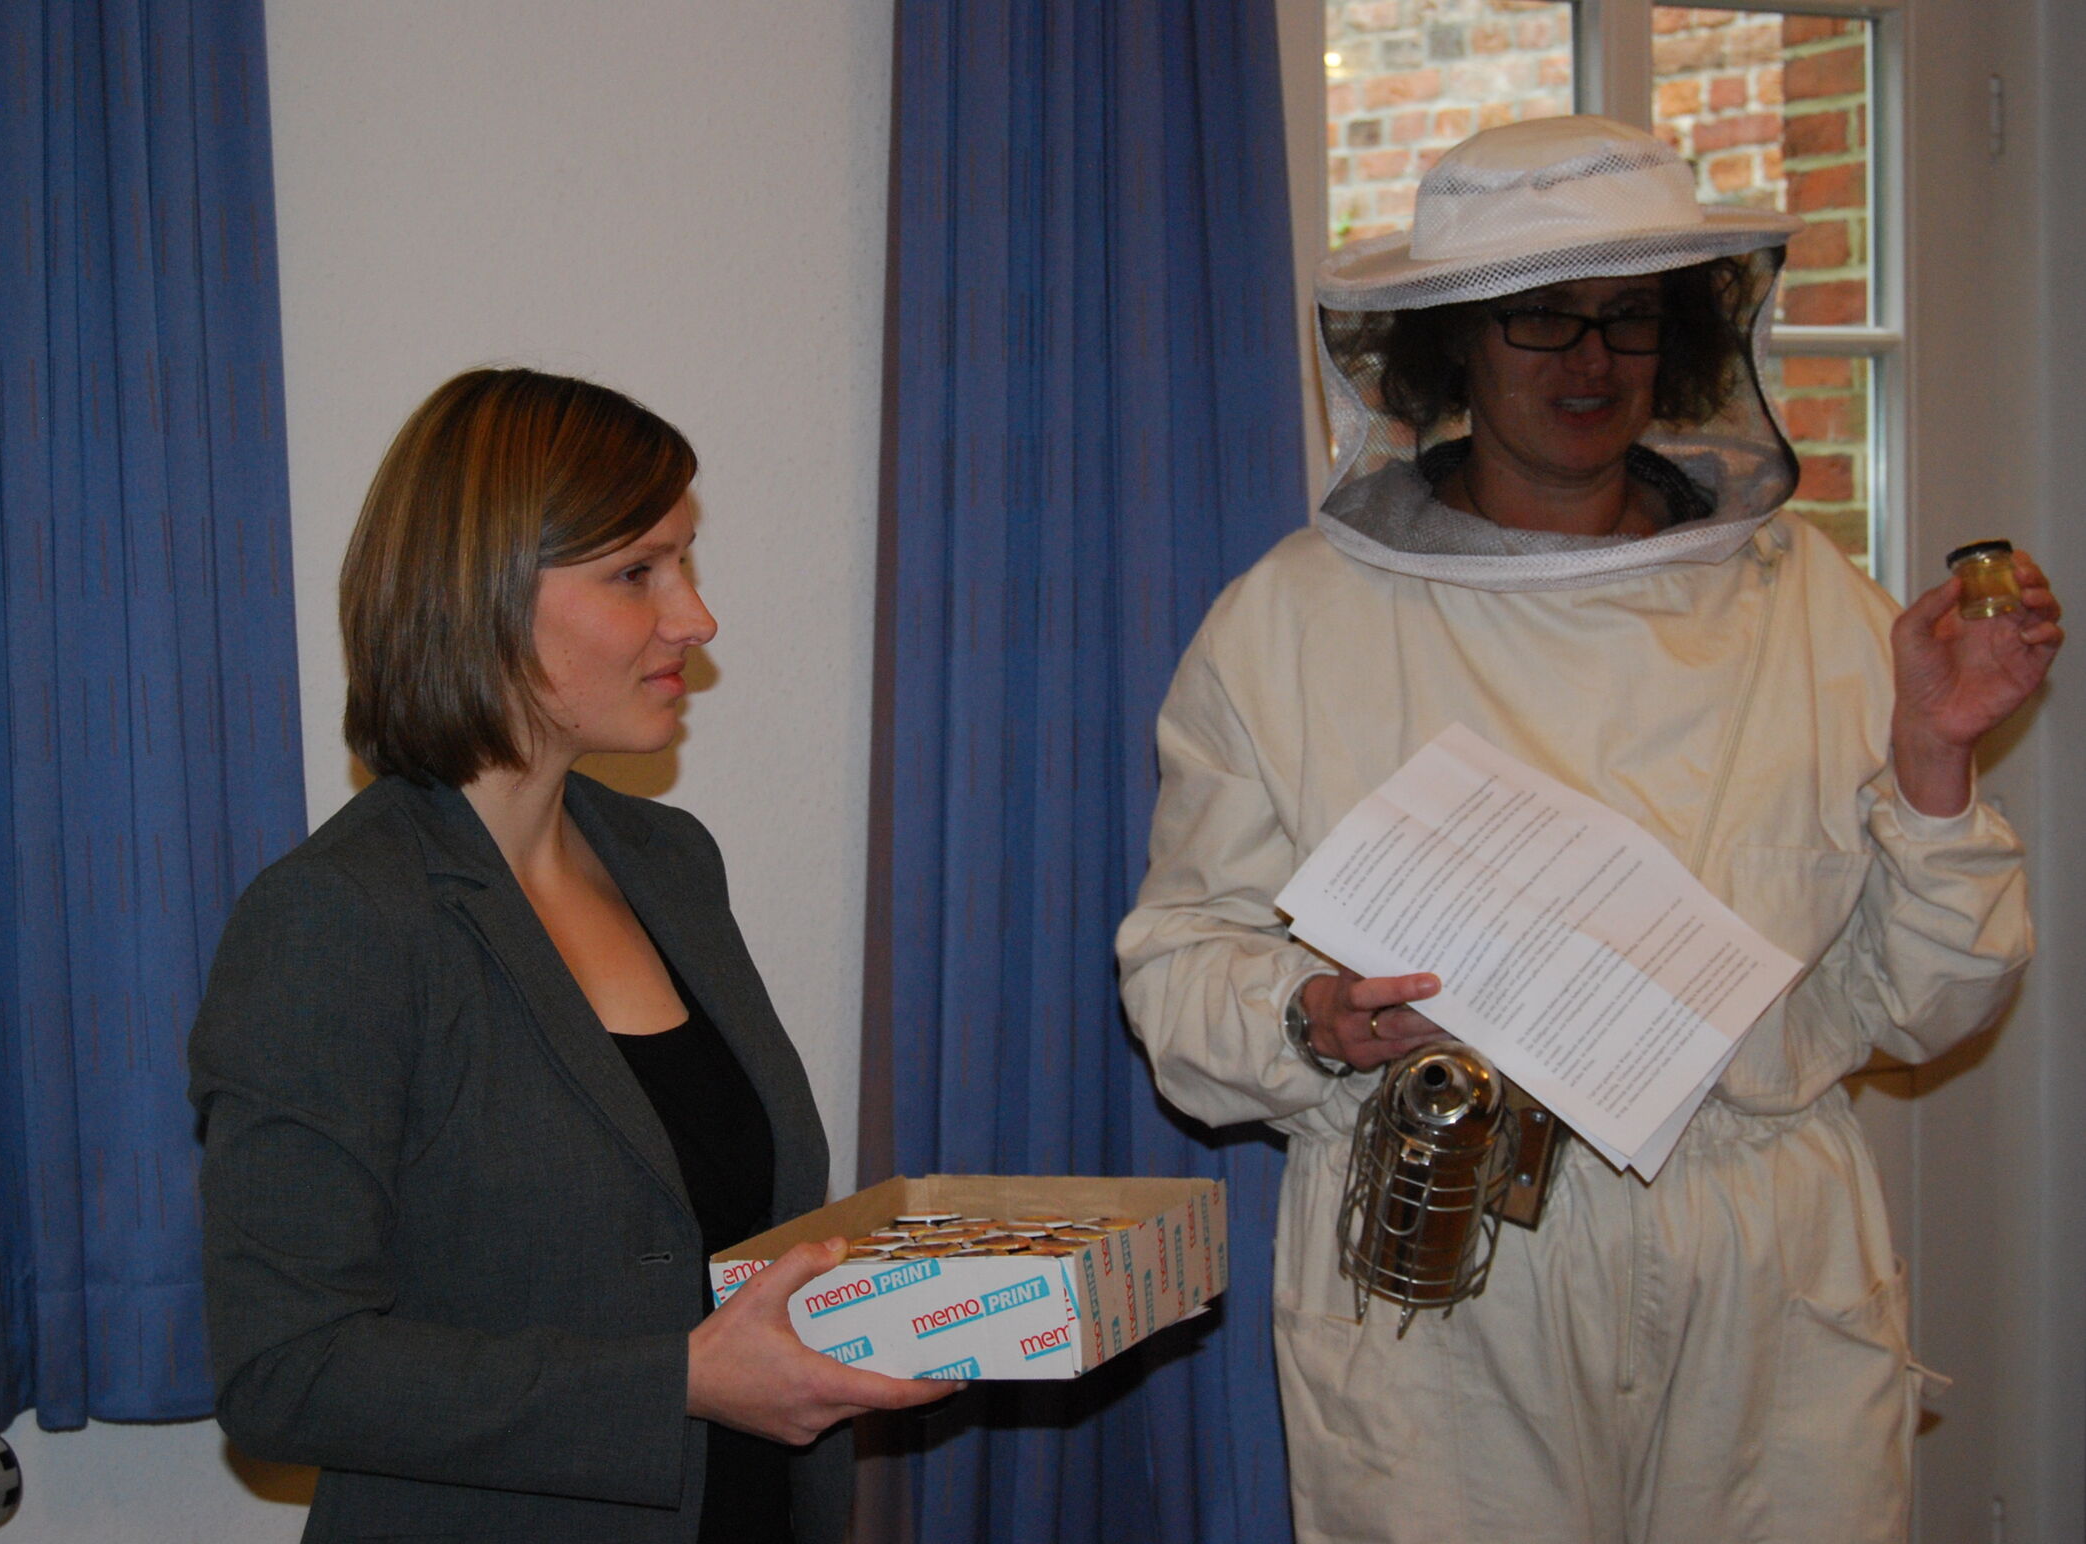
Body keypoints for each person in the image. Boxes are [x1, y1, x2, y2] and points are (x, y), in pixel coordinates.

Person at [1116, 116, 2062, 1543]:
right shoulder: (1293, 624)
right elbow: (1180, 968)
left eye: (1629, 319)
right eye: (1540, 319)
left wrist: (1934, 760)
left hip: (1765, 1261)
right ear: (1447, 347)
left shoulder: (1817, 611)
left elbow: (1927, 1008)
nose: (1591, 362)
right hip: (1447, 1251)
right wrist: (1315, 1017)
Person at [189, 369, 953, 1544]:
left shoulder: (668, 859)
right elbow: (286, 1369)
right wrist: (677, 1384)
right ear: (483, 594)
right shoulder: (340, 918)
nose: (694, 617)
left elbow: (712, 1238)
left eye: (685, 561)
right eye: (636, 571)